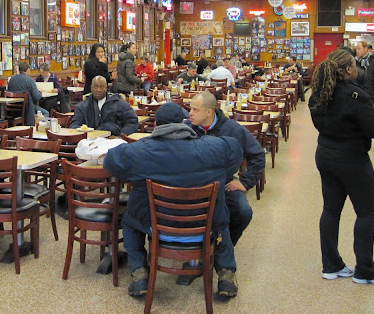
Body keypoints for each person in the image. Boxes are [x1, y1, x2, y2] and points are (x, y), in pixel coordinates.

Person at [103, 102, 243, 298]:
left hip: (157, 226)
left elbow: (111, 160)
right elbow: (235, 151)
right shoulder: (215, 147)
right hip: (204, 227)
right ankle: (226, 274)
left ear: (156, 124)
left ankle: (140, 272)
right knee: (220, 217)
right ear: (183, 122)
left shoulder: (140, 151)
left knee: (131, 219)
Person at [309, 49, 374, 285]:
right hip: (353, 159)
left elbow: (318, 123)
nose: (357, 69)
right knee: (366, 211)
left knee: (331, 209)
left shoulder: (320, 94)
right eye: (354, 65)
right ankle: (365, 270)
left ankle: (331, 266)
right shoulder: (356, 96)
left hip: (325, 154)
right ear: (347, 70)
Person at [186, 92, 265, 247]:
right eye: (190, 109)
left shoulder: (233, 130)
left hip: (224, 182)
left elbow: (258, 155)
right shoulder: (186, 128)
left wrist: (246, 182)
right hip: (192, 183)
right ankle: (195, 247)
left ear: (209, 112)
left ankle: (223, 246)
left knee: (243, 212)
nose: (190, 113)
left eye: (195, 110)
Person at [70, 76, 139, 136]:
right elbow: (75, 125)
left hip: (114, 144)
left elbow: (132, 122)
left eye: (101, 87)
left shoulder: (119, 103)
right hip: (89, 143)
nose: (98, 90)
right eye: (95, 87)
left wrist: (120, 137)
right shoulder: (82, 106)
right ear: (91, 88)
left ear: (106, 88)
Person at [8, 61, 47, 125]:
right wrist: (40, 92)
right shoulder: (30, 80)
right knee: (45, 113)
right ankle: (38, 129)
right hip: (27, 109)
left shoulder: (12, 79)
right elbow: (37, 97)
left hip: (12, 109)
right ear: (28, 70)